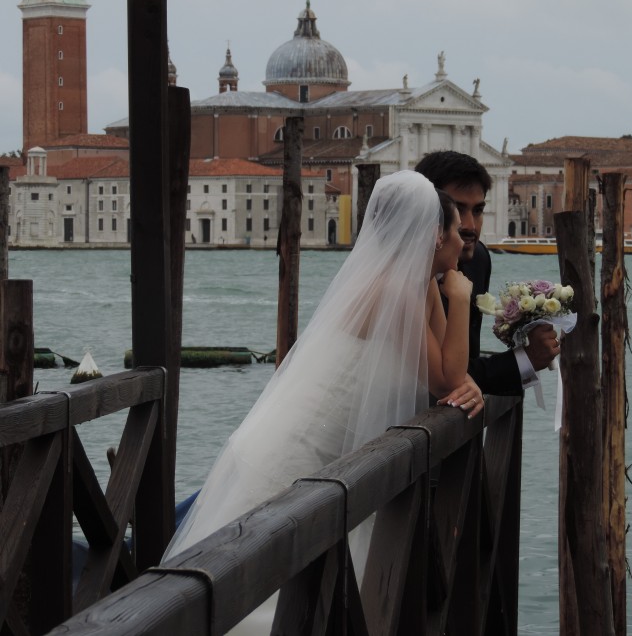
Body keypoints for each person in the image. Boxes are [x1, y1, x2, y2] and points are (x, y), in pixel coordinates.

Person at [163, 169, 478, 563]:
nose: (464, 234)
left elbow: (449, 373)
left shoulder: (415, 284)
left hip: (330, 455)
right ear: (435, 235)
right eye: (455, 227)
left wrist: (471, 385)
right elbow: (448, 377)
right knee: (261, 567)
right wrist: (462, 299)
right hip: (304, 452)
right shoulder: (393, 289)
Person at [415, 151, 560, 396]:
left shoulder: (478, 260)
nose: (470, 225)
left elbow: (461, 361)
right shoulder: (404, 283)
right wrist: (526, 360)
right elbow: (445, 378)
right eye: (457, 209)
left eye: (478, 210)